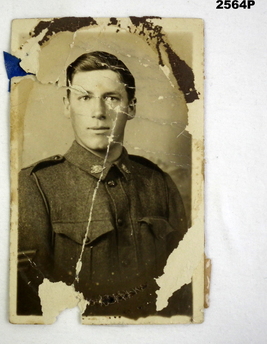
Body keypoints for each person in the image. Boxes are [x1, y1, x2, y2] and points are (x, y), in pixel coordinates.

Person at [17, 51, 192, 319]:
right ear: (67, 106)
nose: (98, 113)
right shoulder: (35, 185)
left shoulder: (158, 182)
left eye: (111, 98)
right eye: (84, 97)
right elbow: (28, 303)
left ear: (131, 107)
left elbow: (183, 285)